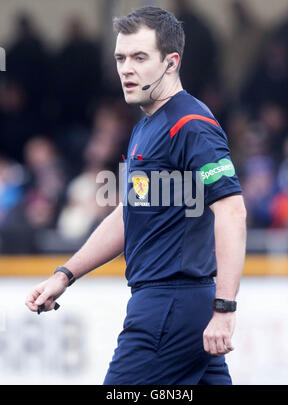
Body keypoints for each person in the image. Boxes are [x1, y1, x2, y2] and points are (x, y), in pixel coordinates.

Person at [26, 6, 247, 385]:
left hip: (170, 303)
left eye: (139, 57)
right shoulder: (147, 125)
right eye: (121, 58)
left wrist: (225, 309)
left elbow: (232, 210)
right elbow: (129, 214)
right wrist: (65, 275)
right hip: (171, 303)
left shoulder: (190, 124)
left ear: (170, 62)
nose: (126, 68)